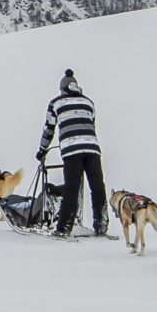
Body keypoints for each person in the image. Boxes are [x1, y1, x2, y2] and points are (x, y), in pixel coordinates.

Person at [37, 68, 108, 237]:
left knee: (72, 187)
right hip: (92, 147)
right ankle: (101, 224)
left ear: (62, 89)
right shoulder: (88, 102)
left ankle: (64, 227)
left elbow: (49, 130)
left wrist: (42, 150)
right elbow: (92, 125)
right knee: (97, 186)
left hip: (71, 150)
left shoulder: (56, 103)